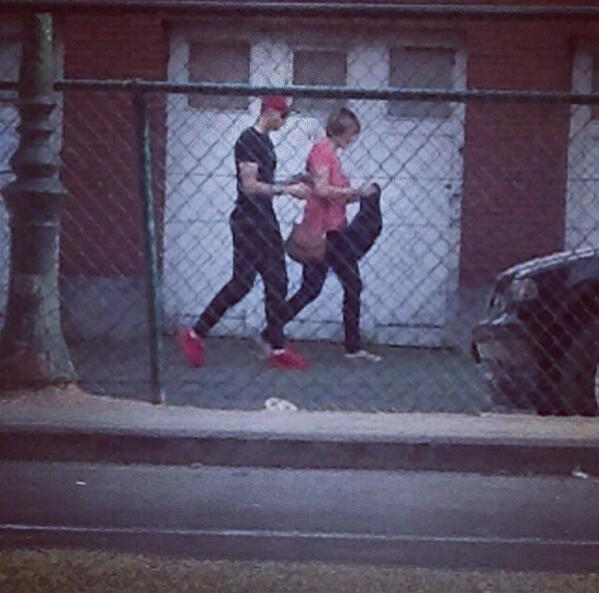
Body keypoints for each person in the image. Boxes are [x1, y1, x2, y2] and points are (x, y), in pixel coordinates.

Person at [178, 95, 311, 369]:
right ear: (269, 111)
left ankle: (275, 346)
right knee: (244, 282)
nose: (284, 121)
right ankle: (196, 334)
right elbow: (250, 185)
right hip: (249, 222)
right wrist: (287, 190)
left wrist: (292, 181)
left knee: (275, 280)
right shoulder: (248, 140)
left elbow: (264, 183)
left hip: (264, 219)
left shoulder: (265, 142)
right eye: (283, 115)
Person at [263, 106, 384, 361]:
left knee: (316, 288)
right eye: (352, 133)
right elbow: (321, 189)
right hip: (324, 232)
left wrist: (359, 195)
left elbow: (333, 194)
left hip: (333, 229)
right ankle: (352, 347)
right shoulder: (322, 151)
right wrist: (356, 192)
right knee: (343, 285)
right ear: (342, 131)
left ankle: (272, 331)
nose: (353, 138)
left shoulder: (331, 155)